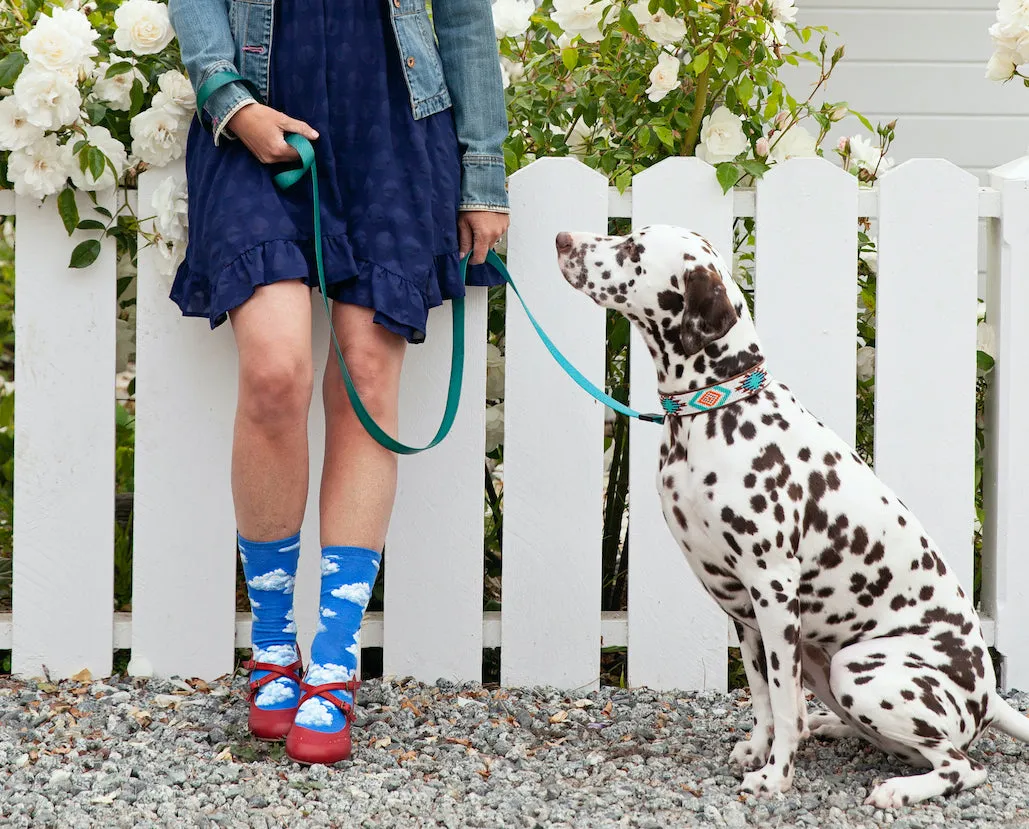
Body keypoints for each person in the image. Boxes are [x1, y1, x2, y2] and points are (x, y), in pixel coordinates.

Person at [167, 0, 510, 765]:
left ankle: (332, 657)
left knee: (364, 378)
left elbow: (460, 17)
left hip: (392, 118)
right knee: (274, 372)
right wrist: (230, 100)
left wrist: (483, 171)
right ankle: (272, 640)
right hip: (257, 106)